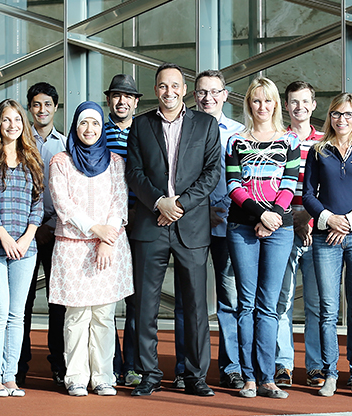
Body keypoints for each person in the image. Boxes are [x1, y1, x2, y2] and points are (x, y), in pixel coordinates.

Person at [125, 63, 219, 397]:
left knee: (195, 306)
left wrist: (178, 205)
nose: (169, 92)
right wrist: (158, 203)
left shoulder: (205, 124)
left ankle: (194, 376)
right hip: (150, 225)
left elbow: (212, 172)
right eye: (163, 86)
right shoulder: (140, 125)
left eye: (175, 85)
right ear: (156, 90)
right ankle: (149, 374)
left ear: (184, 90)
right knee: (144, 306)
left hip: (190, 226)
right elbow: (134, 173)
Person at [48, 101, 134, 397]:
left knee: (104, 316)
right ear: (75, 126)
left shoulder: (115, 162)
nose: (89, 129)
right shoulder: (61, 161)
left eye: (95, 123)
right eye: (84, 123)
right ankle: (75, 377)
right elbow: (63, 204)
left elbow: (119, 202)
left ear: (102, 128)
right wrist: (96, 230)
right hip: (73, 248)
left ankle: (103, 376)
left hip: (108, 248)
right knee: (76, 316)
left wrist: (107, 240)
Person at [303, 93, 352, 398]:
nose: (342, 120)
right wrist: (329, 219)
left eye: (348, 114)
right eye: (336, 114)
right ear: (330, 117)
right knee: (328, 309)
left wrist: (347, 221)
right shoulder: (318, 150)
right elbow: (308, 195)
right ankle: (330, 373)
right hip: (326, 237)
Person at [225, 77, 298, 399]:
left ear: (276, 104)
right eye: (256, 100)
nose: (262, 106)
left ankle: (268, 378)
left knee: (269, 306)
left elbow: (289, 184)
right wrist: (260, 216)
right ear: (248, 104)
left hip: (280, 229)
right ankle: (249, 378)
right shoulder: (235, 141)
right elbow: (233, 185)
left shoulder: (289, 140)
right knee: (246, 304)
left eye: (268, 101)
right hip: (242, 227)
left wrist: (272, 218)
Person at [0, 99, 43, 397]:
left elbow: (39, 202)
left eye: (17, 119)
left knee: (17, 315)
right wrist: (3, 235)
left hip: (25, 249)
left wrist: (27, 237)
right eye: (6, 119)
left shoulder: (32, 157)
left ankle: (11, 377)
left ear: (23, 124)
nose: (12, 125)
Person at [195, 69, 245, 389]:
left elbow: (245, 178)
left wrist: (223, 208)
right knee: (193, 299)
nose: (208, 98)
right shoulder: (186, 129)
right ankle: (192, 369)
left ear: (225, 95)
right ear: (194, 96)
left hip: (231, 226)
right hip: (194, 227)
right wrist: (204, 210)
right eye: (202, 92)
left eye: (214, 91)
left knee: (230, 299)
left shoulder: (239, 132)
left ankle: (232, 366)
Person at [274, 81, 324, 389]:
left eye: (305, 101)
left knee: (317, 303)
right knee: (283, 301)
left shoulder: (326, 141)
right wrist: (293, 220)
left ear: (313, 105)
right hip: (284, 227)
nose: (299, 107)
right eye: (294, 101)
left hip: (318, 231)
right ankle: (283, 364)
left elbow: (330, 187)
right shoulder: (278, 139)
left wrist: (309, 217)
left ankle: (316, 366)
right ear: (286, 105)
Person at [18, 82, 68, 386]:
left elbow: (72, 190)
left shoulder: (66, 144)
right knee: (22, 302)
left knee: (57, 301)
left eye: (47, 104)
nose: (42, 110)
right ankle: (19, 365)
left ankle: (58, 364)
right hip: (23, 233)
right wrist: (31, 228)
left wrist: (51, 225)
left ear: (55, 108)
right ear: (29, 108)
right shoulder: (19, 141)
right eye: (36, 104)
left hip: (56, 231)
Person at [102, 74, 143, 387]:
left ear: (136, 102)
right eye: (116, 95)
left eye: (128, 96)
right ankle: (110, 364)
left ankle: (132, 365)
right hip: (106, 225)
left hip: (140, 221)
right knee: (105, 298)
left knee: (136, 298)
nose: (121, 101)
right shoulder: (97, 131)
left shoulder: (144, 131)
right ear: (108, 100)